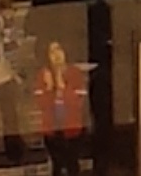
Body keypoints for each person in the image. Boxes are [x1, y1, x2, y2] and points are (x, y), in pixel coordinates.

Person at [35, 36, 94, 176]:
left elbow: (79, 102)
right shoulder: (43, 74)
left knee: (72, 164)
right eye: (52, 52)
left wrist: (63, 87)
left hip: (72, 128)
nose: (56, 55)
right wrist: (49, 88)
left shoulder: (75, 73)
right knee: (57, 165)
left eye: (59, 49)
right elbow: (40, 103)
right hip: (51, 129)